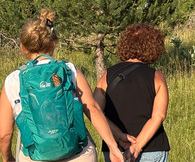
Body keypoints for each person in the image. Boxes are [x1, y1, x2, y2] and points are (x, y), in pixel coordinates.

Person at [0, 9, 124, 162]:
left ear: (23, 47)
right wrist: (113, 146)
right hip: (78, 153)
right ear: (53, 44)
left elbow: (4, 134)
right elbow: (92, 108)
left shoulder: (13, 80)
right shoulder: (69, 70)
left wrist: (7, 158)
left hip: (34, 156)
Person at [93, 23, 170, 162]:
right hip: (152, 148)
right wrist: (137, 145)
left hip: (115, 150)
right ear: (154, 47)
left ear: (125, 44)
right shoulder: (157, 77)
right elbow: (159, 116)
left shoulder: (107, 75)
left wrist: (118, 135)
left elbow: (95, 111)